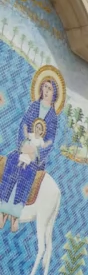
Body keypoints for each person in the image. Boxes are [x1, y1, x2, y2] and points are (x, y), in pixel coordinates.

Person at [0, 71, 60, 230]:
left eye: (49, 89)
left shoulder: (53, 117)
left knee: (27, 172)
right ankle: (3, 210)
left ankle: (15, 215)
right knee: (12, 161)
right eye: (44, 87)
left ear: (54, 94)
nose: (46, 91)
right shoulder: (34, 106)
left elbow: (50, 141)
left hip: (36, 157)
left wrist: (36, 153)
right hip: (23, 148)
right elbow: (23, 125)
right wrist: (23, 145)